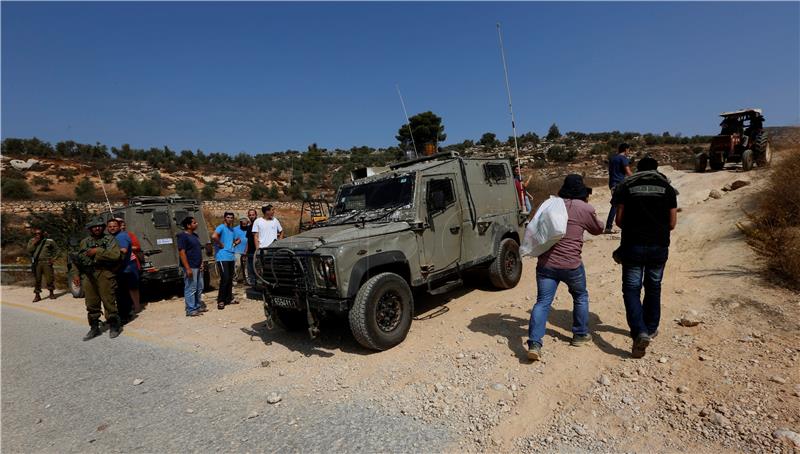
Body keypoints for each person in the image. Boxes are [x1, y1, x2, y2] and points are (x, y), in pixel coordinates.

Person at [527, 174, 604, 361]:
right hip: (571, 265)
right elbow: (598, 229)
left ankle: (535, 343)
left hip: (546, 264)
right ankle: (579, 334)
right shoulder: (584, 208)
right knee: (580, 296)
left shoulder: (552, 205)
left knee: (542, 302)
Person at [614, 156, 678, 359]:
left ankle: (639, 331)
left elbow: (619, 220)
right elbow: (673, 223)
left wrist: (633, 228)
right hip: (659, 246)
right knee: (654, 286)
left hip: (632, 246)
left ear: (638, 169)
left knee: (631, 289)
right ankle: (650, 328)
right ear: (656, 169)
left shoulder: (627, 187)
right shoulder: (667, 188)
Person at [74, 217, 122, 340]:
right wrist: (76, 274)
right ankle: (94, 327)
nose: (97, 228)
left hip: (104, 273)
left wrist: (98, 251)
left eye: (99, 226)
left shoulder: (110, 239)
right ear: (90, 229)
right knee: (91, 302)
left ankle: (114, 326)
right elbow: (78, 259)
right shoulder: (84, 242)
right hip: (88, 275)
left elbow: (115, 255)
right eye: (94, 227)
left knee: (109, 301)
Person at [106, 219, 139, 324]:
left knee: (122, 294)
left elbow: (123, 251)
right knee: (120, 294)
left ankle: (125, 316)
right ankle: (124, 314)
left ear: (119, 227)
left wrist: (105, 254)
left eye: (114, 226)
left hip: (122, 269)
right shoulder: (114, 237)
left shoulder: (121, 236)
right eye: (110, 226)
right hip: (119, 269)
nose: (112, 228)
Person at [177, 216, 206, 316]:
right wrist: (187, 268)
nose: (196, 224)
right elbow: (182, 252)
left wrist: (201, 263)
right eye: (194, 223)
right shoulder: (182, 236)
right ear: (188, 225)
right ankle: (190, 309)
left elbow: (198, 250)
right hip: (191, 266)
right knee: (191, 288)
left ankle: (197, 306)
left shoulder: (195, 236)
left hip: (198, 266)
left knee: (199, 287)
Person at [212, 212, 239, 310]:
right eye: (228, 217)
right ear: (224, 218)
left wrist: (235, 243)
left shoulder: (232, 230)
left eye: (231, 217)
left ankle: (228, 298)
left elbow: (236, 240)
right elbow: (214, 236)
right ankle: (221, 301)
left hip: (230, 256)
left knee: (230, 279)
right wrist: (220, 243)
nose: (230, 219)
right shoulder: (221, 227)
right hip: (222, 257)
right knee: (225, 278)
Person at [605, 143, 633, 234]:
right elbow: (628, 172)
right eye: (629, 150)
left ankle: (611, 226)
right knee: (619, 205)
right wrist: (637, 178)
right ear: (625, 150)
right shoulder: (623, 158)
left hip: (612, 184)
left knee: (616, 205)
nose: (629, 152)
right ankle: (609, 227)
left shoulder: (613, 158)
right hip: (620, 184)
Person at [116, 218, 142, 314]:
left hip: (130, 263)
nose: (122, 226)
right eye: (120, 224)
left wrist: (128, 247)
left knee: (133, 286)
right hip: (119, 264)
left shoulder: (129, 235)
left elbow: (138, 247)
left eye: (123, 224)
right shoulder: (112, 237)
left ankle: (137, 306)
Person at [27, 227, 58, 302]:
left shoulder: (49, 241)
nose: (38, 235)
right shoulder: (32, 241)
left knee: (49, 278)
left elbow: (57, 250)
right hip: (37, 263)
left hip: (47, 262)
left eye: (39, 233)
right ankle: (37, 295)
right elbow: (29, 250)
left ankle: (51, 293)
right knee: (37, 279)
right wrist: (34, 243)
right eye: (36, 233)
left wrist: (54, 259)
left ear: (43, 233)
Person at [233, 216, 249, 284]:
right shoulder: (235, 229)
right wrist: (235, 242)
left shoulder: (250, 228)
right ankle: (234, 278)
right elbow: (231, 240)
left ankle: (247, 279)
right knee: (238, 265)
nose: (244, 225)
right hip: (237, 250)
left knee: (247, 266)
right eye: (243, 224)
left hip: (248, 250)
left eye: (246, 224)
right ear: (240, 223)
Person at [245, 208, 258, 285]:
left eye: (253, 215)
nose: (251, 216)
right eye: (250, 215)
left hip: (257, 251)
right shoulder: (249, 227)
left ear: (256, 215)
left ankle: (259, 285)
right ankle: (253, 286)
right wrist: (245, 251)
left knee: (257, 269)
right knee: (250, 270)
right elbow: (248, 240)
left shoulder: (259, 224)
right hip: (250, 252)